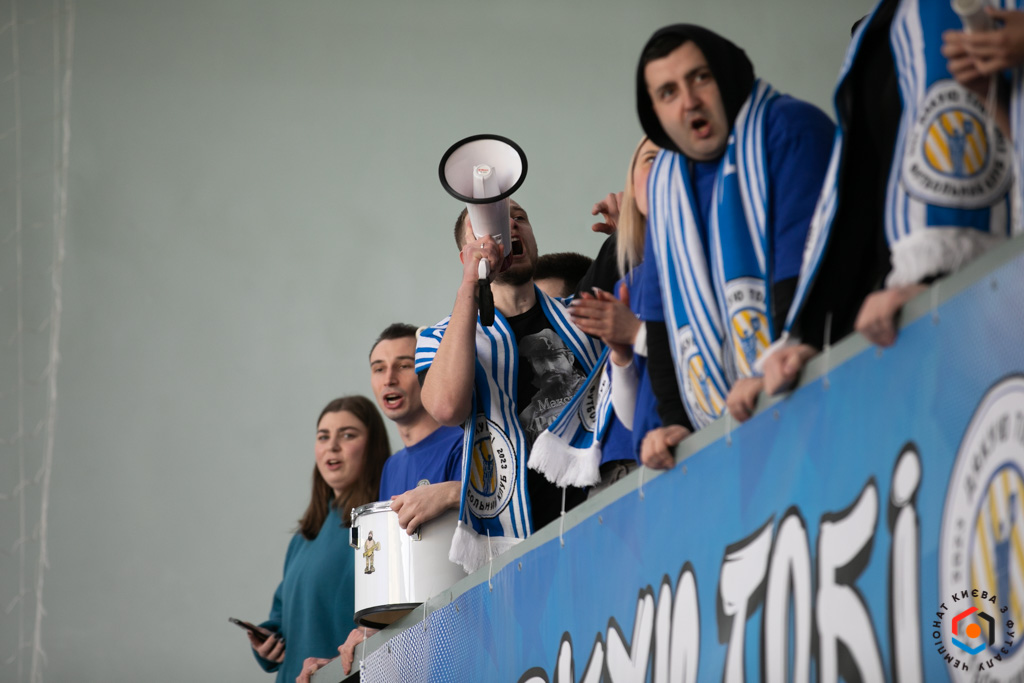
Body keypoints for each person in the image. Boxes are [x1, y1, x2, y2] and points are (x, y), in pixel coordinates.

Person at [763, 0, 1015, 396]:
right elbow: (860, 204)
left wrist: (934, 282)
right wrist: (814, 338)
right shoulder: (880, 34)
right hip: (909, 324)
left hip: (985, 304)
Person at [631, 25, 835, 469]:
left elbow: (813, 269)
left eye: (700, 78)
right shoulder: (665, 184)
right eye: (668, 92)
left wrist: (781, 357)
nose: (689, 101)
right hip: (735, 435)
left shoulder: (789, 129)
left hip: (820, 390)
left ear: (725, 75)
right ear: (655, 113)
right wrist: (676, 422)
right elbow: (662, 322)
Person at [416, 200, 603, 573]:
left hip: (602, 524)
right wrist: (471, 286)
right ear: (465, 256)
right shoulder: (439, 338)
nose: (510, 225)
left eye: (519, 218)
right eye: (489, 224)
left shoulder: (580, 315)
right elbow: (447, 407)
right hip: (517, 557)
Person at [244, 396, 389, 683]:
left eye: (347, 435)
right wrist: (269, 642)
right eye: (323, 436)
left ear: (372, 446)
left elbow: (392, 626)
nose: (332, 446)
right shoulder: (303, 538)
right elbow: (283, 616)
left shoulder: (381, 527)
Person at [569, 136, 662, 490]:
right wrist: (622, 355)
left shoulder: (711, 253)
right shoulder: (633, 280)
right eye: (649, 159)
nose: (659, 168)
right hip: (627, 459)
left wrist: (636, 334)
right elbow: (632, 415)